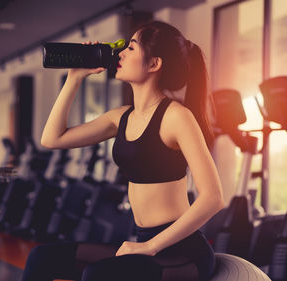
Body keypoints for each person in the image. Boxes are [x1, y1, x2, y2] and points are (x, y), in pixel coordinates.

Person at [21, 20, 224, 281]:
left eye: (131, 47)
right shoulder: (120, 118)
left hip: (182, 252)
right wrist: (74, 78)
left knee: (97, 275)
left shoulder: (176, 117)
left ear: (154, 64)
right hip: (144, 242)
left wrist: (150, 247)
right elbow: (52, 139)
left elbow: (213, 197)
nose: (121, 53)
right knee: (42, 258)